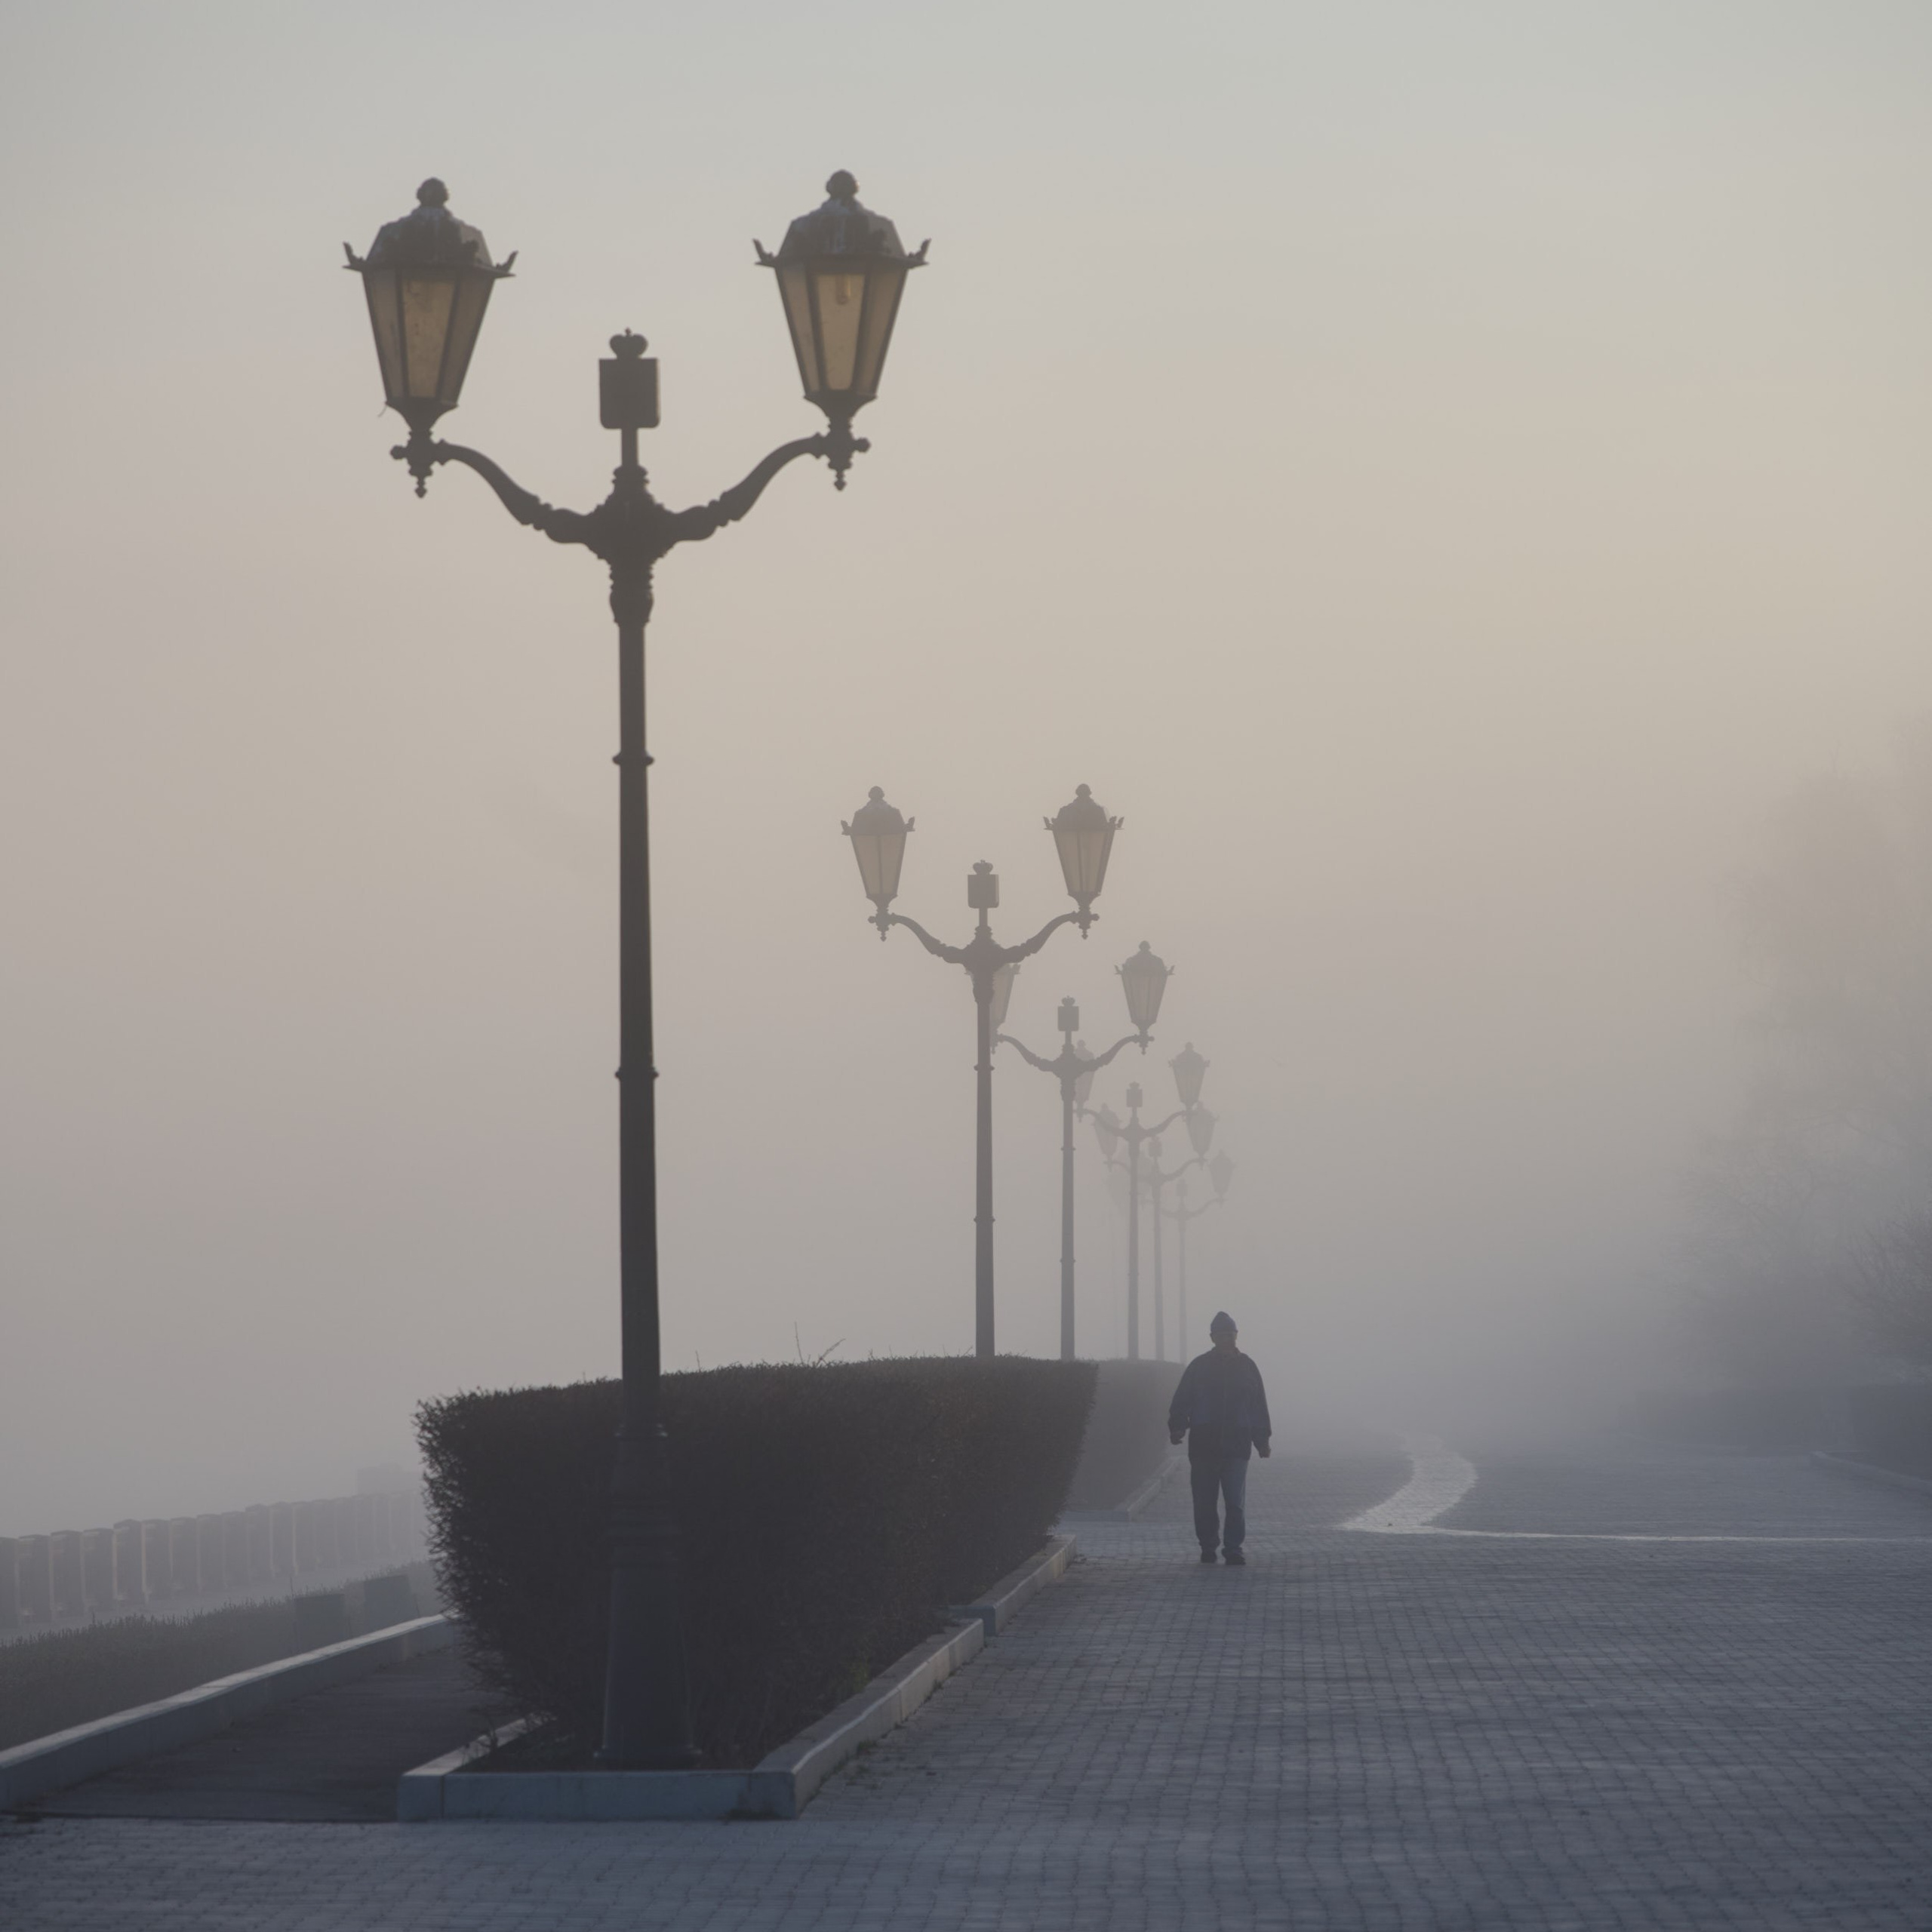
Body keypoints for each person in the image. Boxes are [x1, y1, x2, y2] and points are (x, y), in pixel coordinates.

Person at [1167, 1310, 1272, 1565]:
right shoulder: (1199, 1367)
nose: (1228, 1338)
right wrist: (1178, 1427)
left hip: (1237, 1445)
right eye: (1222, 1334)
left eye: (1231, 1334)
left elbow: (1258, 1405)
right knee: (1204, 1502)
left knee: (1235, 1502)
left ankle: (1234, 1548)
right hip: (1204, 1446)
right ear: (1212, 1337)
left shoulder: (1248, 1367)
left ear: (1237, 1336)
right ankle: (1208, 1546)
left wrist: (1262, 1439)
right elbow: (1183, 1400)